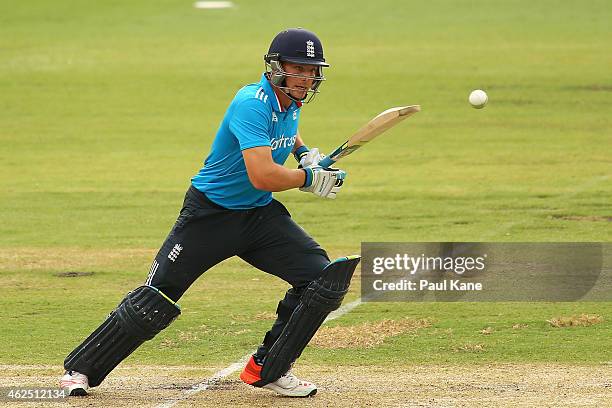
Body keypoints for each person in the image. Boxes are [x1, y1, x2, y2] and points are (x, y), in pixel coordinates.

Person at [60, 27, 360, 398]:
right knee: (157, 297)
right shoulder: (252, 102)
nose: (306, 78)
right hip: (209, 216)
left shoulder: (290, 102)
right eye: (298, 68)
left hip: (258, 217)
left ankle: (270, 366)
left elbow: (286, 134)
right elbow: (263, 174)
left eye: (312, 70)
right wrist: (309, 179)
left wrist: (305, 155)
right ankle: (81, 370)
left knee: (320, 278)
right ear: (276, 67)